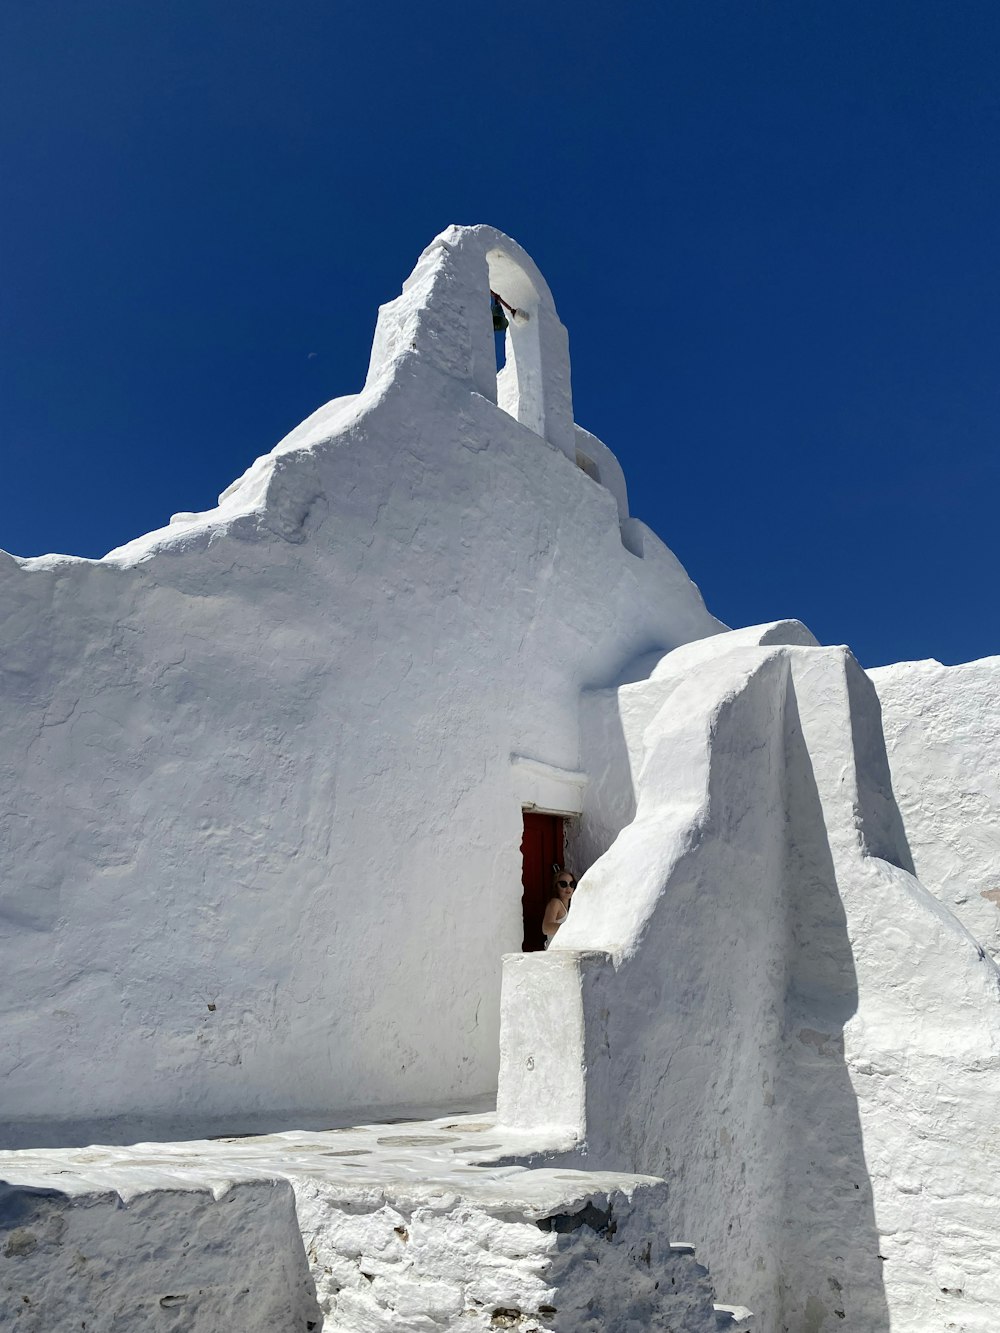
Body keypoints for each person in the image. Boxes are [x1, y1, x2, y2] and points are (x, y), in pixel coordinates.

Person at [542, 868, 576, 947]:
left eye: (572, 884)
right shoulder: (555, 903)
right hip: (555, 954)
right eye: (563, 884)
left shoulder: (570, 907)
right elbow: (546, 928)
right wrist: (571, 928)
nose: (568, 888)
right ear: (556, 886)